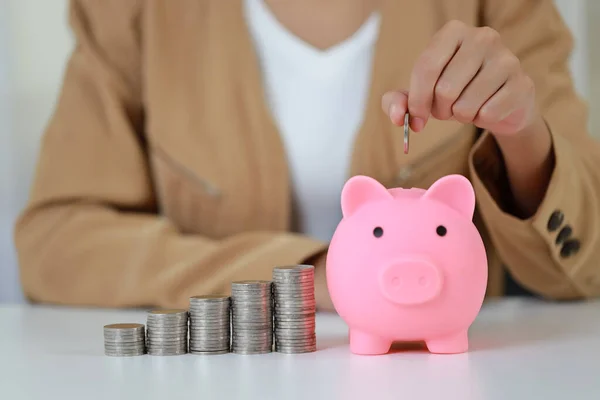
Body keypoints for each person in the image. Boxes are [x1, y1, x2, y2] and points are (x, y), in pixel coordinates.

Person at [13, 0, 600, 310]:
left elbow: (584, 268)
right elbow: (58, 241)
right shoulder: (132, 10)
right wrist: (311, 279)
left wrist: (522, 139)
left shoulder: (502, 6)